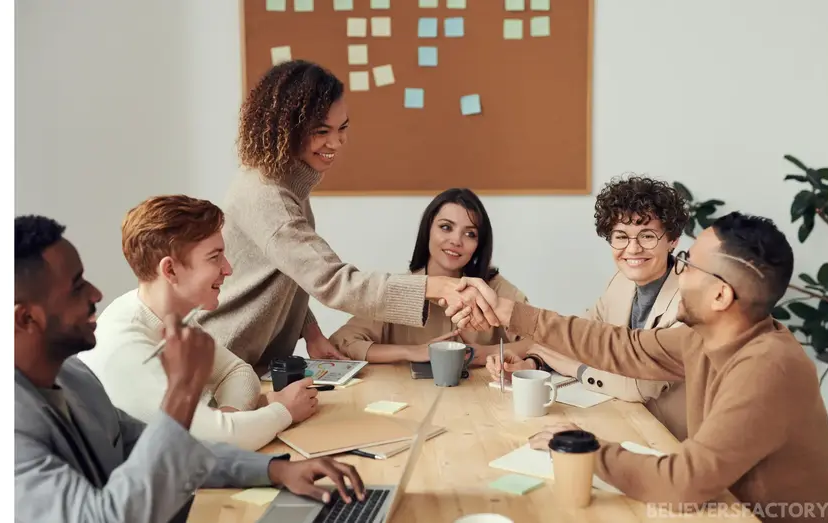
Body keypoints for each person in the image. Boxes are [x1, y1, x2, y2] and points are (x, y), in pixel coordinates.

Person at [450, 212, 828, 522]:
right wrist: (509, 313)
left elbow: (683, 483)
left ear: (720, 294)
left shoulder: (768, 368)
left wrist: (583, 449)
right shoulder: (703, 338)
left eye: (688, 264)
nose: (677, 271)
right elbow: (621, 346)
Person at [14, 215, 366, 523]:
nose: (95, 293)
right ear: (25, 317)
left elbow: (165, 448)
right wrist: (182, 391)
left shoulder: (74, 377)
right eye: (76, 286)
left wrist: (276, 470)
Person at [198, 60, 497, 373]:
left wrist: (311, 332)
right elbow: (333, 281)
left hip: (247, 363)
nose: (336, 143)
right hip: (221, 363)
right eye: (321, 131)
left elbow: (292, 271)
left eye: (342, 128)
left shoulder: (286, 184)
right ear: (286, 129)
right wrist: (433, 287)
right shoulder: (269, 196)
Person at [77, 196, 317, 451]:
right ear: (169, 271)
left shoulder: (169, 314)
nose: (228, 269)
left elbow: (237, 373)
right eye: (214, 257)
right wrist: (283, 411)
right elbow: (215, 444)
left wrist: (229, 418)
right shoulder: (125, 349)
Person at [487, 176, 690, 440]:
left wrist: (577, 369)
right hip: (625, 422)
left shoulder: (690, 298)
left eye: (647, 236)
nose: (633, 248)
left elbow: (639, 387)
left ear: (672, 240)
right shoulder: (620, 283)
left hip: (671, 439)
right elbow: (579, 338)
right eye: (621, 237)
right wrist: (533, 362)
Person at [329, 188, 532, 364]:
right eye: (446, 227)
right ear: (428, 230)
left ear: (479, 245)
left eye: (470, 234)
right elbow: (342, 342)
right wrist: (413, 352)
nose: (456, 240)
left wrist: (487, 352)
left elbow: (543, 340)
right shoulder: (400, 289)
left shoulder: (494, 289)